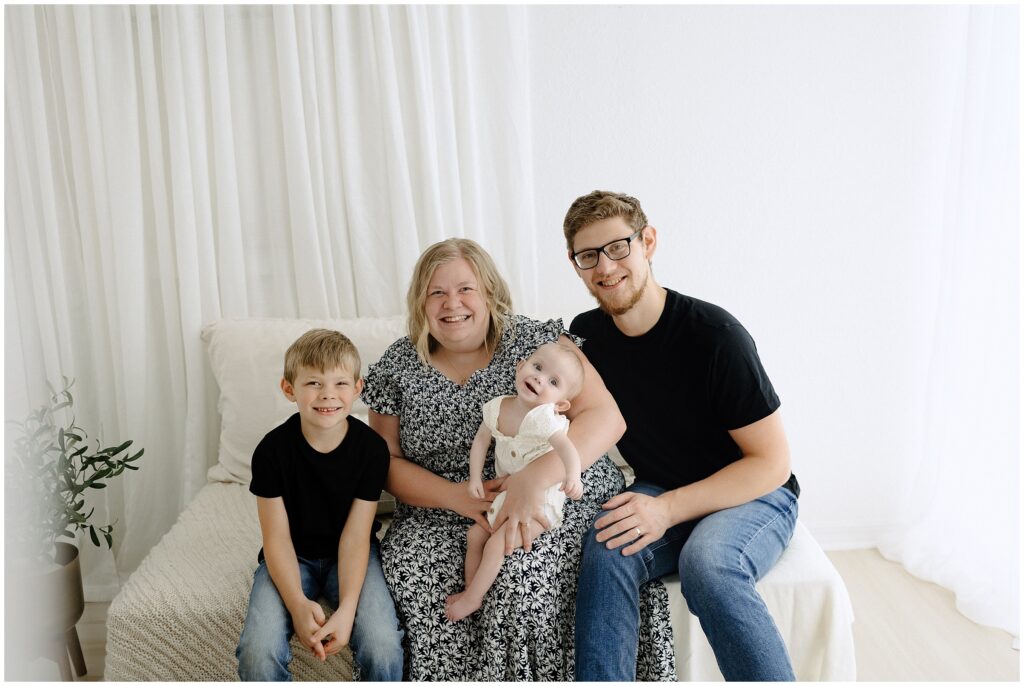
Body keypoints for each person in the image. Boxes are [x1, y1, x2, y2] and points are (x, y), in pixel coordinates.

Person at [362, 238, 676, 680]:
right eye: (437, 292)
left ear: (490, 292)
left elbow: (607, 418)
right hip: (441, 507)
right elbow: (385, 461)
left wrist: (533, 480)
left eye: (466, 289)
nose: (453, 304)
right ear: (421, 303)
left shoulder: (535, 342)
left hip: (555, 493)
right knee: (422, 585)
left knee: (521, 577)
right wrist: (454, 497)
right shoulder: (396, 366)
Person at [565, 191, 801, 681]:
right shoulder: (586, 335)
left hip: (751, 494)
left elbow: (772, 463)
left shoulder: (716, 335)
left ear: (647, 242)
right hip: (663, 485)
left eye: (617, 247)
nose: (604, 267)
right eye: (588, 256)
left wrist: (667, 510)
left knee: (708, 566)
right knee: (607, 546)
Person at [236, 329, 404, 681]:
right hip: (291, 555)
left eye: (341, 383)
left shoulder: (371, 451)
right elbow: (277, 539)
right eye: (313, 383)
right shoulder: (271, 452)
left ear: (358, 389)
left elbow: (357, 537)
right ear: (288, 389)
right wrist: (297, 605)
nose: (328, 394)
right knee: (257, 650)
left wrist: (346, 611)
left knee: (383, 642)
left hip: (353, 552)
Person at [445, 341, 586, 622]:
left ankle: (473, 599)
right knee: (475, 536)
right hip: (506, 495)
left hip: (541, 500)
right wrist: (474, 478)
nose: (538, 378)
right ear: (521, 366)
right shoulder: (498, 406)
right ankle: (472, 591)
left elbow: (568, 448)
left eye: (553, 381)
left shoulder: (544, 418)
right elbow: (481, 440)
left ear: (560, 404)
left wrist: (573, 475)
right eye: (537, 367)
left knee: (497, 544)